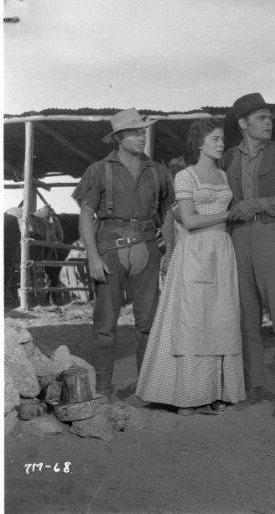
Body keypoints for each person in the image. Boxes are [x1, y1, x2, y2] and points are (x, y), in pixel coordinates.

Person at [136, 118, 245, 415]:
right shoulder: (185, 176)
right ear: (199, 144)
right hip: (196, 249)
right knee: (194, 319)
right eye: (214, 139)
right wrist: (227, 215)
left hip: (222, 250)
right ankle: (188, 395)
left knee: (221, 318)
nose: (221, 144)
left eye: (222, 139)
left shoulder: (225, 177)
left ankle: (217, 391)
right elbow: (189, 220)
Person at [73, 108, 175, 400]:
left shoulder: (158, 171)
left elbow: (168, 213)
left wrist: (170, 250)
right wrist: (92, 256)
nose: (140, 137)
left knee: (148, 323)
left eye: (142, 132)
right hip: (109, 249)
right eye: (133, 133)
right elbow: (86, 215)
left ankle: (147, 388)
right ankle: (103, 389)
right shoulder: (97, 170)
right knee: (105, 324)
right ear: (118, 138)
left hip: (147, 246)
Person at [222, 93, 275, 418]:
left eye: (268, 118)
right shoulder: (229, 158)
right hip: (238, 239)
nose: (268, 123)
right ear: (243, 124)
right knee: (246, 321)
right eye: (260, 118)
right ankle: (253, 387)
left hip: (274, 236)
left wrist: (257, 205)